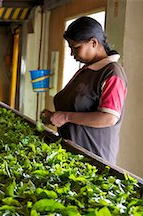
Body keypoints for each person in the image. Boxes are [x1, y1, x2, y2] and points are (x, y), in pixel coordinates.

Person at [41, 16, 127, 164]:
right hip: (73, 154)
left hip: (92, 159)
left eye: (76, 48)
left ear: (93, 43)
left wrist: (66, 117)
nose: (72, 54)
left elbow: (109, 117)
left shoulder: (112, 73)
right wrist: (55, 116)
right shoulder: (88, 70)